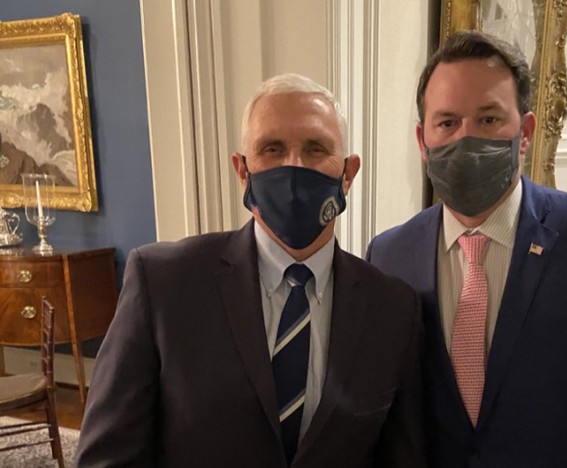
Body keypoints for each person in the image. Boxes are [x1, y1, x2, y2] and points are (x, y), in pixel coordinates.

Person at [366, 31, 567, 467]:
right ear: (423, 141)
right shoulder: (389, 255)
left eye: (489, 119)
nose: (466, 138)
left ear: (527, 131)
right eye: (447, 122)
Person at [76, 74, 426, 468]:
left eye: (315, 149)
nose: (294, 166)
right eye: (272, 149)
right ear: (242, 169)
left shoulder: (393, 308)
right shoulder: (162, 283)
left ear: (347, 174)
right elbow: (106, 458)